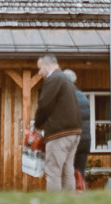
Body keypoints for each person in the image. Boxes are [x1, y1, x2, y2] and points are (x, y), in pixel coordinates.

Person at [33, 54, 81, 191]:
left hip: (60, 133)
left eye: (40, 68)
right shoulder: (66, 80)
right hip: (74, 132)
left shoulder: (53, 79)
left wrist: (37, 125)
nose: (39, 72)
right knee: (67, 172)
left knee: (53, 171)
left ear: (48, 65)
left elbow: (44, 105)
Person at [63, 69, 92, 188]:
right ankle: (82, 193)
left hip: (71, 139)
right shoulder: (83, 97)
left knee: (67, 173)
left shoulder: (65, 97)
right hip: (85, 140)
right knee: (80, 171)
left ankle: (69, 198)